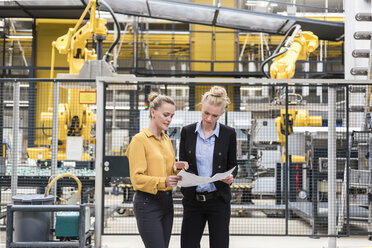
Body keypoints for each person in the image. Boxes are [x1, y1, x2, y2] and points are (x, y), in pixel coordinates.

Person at [126, 92, 188, 248]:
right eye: (166, 114)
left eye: (172, 116)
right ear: (153, 112)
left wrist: (176, 169)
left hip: (167, 202)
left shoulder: (166, 139)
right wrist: (164, 181)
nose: (169, 119)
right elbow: (137, 179)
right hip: (148, 203)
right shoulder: (139, 140)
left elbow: (167, 173)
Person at [179, 86, 238, 248]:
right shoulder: (187, 132)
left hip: (218, 200)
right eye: (206, 113)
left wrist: (231, 177)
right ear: (201, 108)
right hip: (193, 201)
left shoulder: (229, 134)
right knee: (188, 245)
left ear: (222, 114)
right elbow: (183, 163)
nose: (209, 119)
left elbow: (233, 164)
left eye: (214, 115)